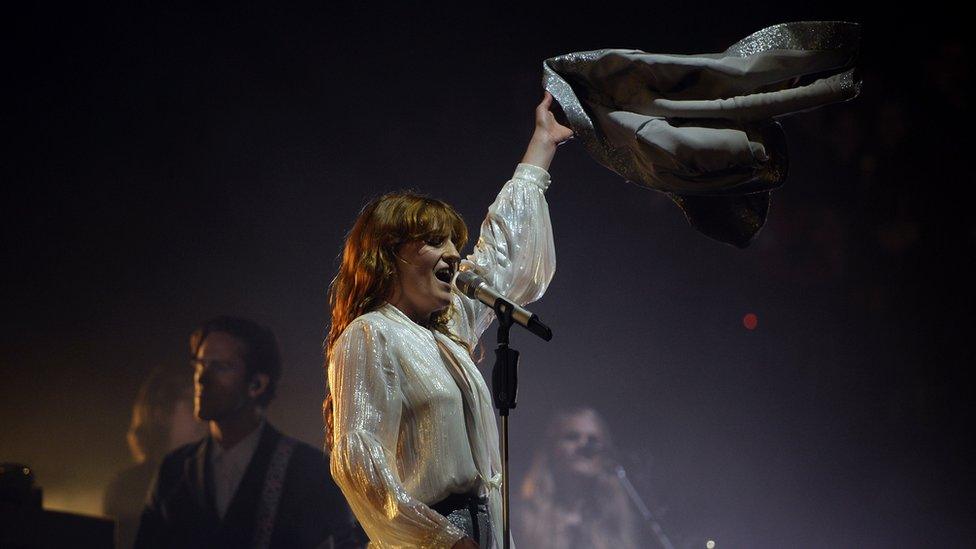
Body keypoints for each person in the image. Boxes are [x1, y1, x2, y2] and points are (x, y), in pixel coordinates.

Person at [324, 92, 572, 548]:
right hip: (431, 536)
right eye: (435, 242)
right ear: (390, 255)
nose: (455, 255)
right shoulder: (370, 335)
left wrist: (542, 147)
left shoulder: (449, 330)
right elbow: (360, 466)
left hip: (485, 532)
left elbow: (503, 258)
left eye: (454, 242)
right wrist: (442, 539)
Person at [135, 315, 360, 549]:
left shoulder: (309, 471)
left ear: (257, 385)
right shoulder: (174, 470)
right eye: (200, 365)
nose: (201, 378)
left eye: (221, 367)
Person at [103, 365, 208, 549]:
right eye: (193, 403)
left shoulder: (209, 480)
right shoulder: (128, 486)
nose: (202, 415)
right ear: (161, 414)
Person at [517, 407, 641, 549]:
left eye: (592, 440)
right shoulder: (522, 516)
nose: (583, 445)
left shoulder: (618, 518)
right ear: (552, 448)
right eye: (572, 437)